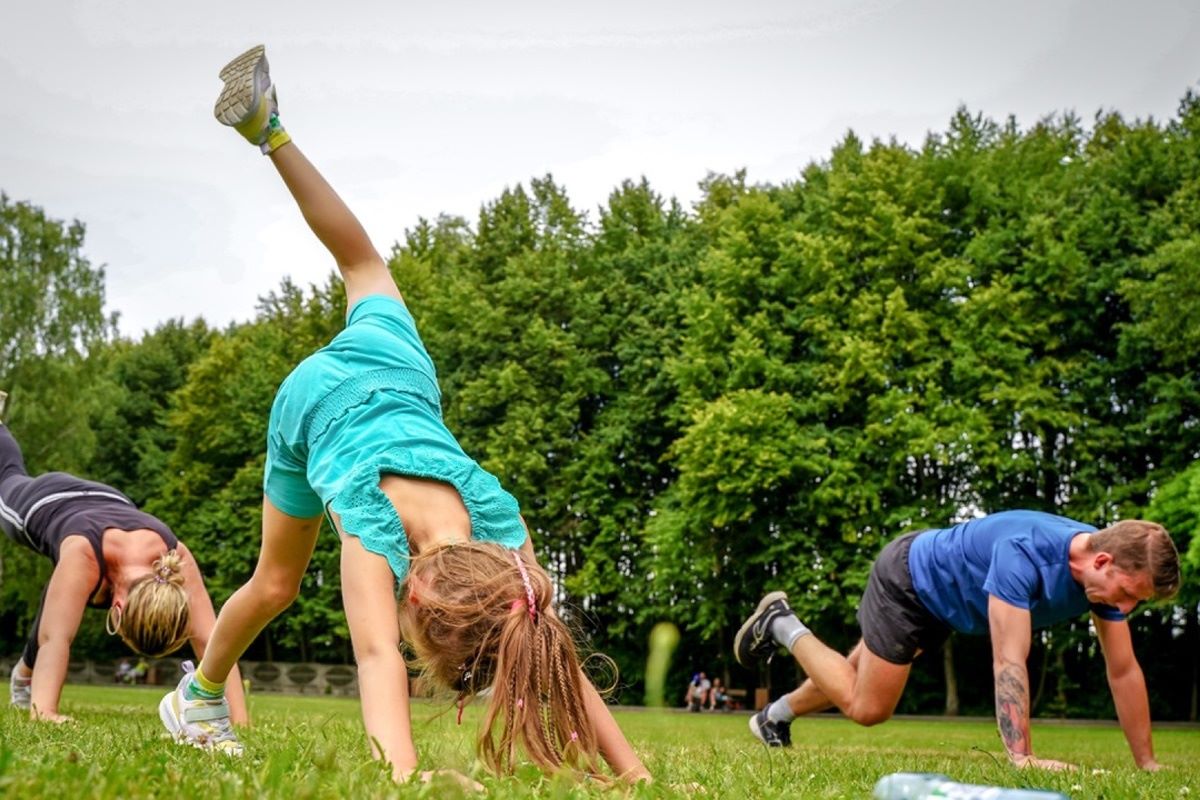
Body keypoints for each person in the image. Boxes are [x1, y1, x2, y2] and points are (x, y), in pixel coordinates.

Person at [158, 45, 650, 785]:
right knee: (276, 585)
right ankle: (197, 698)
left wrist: (638, 776)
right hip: (313, 406)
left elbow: (545, 647)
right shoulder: (371, 530)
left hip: (394, 371)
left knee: (361, 262)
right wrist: (404, 777)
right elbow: (377, 655)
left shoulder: (508, 546)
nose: (405, 636)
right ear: (415, 598)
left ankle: (272, 130)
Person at [734, 510, 1180, 770]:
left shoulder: (1103, 577)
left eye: (1135, 602)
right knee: (867, 706)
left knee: (851, 675)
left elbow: (1123, 671)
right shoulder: (1023, 552)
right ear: (1102, 560)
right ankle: (781, 623)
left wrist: (1147, 764)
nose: (1124, 610)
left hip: (944, 606)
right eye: (1126, 595)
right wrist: (1021, 758)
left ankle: (774, 718)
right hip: (909, 581)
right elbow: (1009, 659)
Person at [0, 398, 247, 724]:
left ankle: (24, 674)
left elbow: (212, 639)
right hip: (44, 501)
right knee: (8, 475)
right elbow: (55, 639)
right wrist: (45, 712)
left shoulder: (175, 555)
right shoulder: (84, 553)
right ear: (117, 610)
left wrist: (239, 721)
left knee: (64, 597)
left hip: (111, 499)